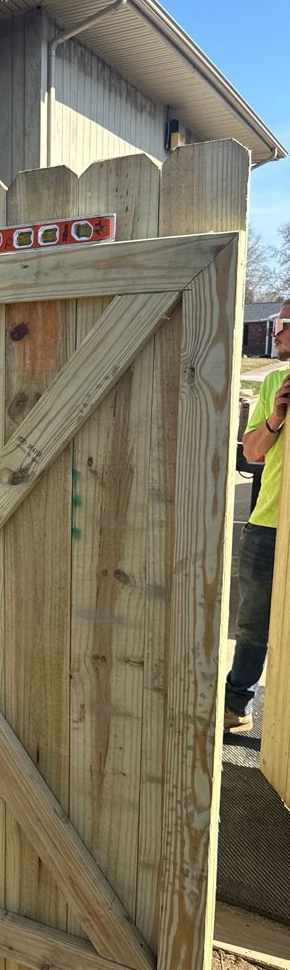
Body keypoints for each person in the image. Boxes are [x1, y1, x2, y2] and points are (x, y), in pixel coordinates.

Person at [225, 303, 290, 733]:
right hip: (267, 524)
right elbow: (251, 452)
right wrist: (274, 418)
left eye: (282, 324)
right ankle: (236, 705)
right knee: (252, 621)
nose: (275, 333)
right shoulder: (273, 381)